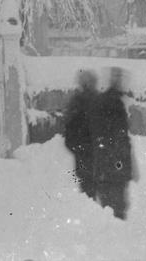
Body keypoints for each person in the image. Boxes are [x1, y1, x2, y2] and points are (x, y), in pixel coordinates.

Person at [90, 67, 138, 219]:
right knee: (116, 208)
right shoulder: (114, 103)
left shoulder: (106, 100)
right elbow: (117, 137)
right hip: (114, 165)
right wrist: (122, 162)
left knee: (109, 207)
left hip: (106, 165)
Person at [62, 69, 98, 198]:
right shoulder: (100, 101)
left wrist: (79, 149)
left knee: (88, 196)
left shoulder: (75, 103)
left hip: (83, 160)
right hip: (100, 160)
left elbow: (68, 136)